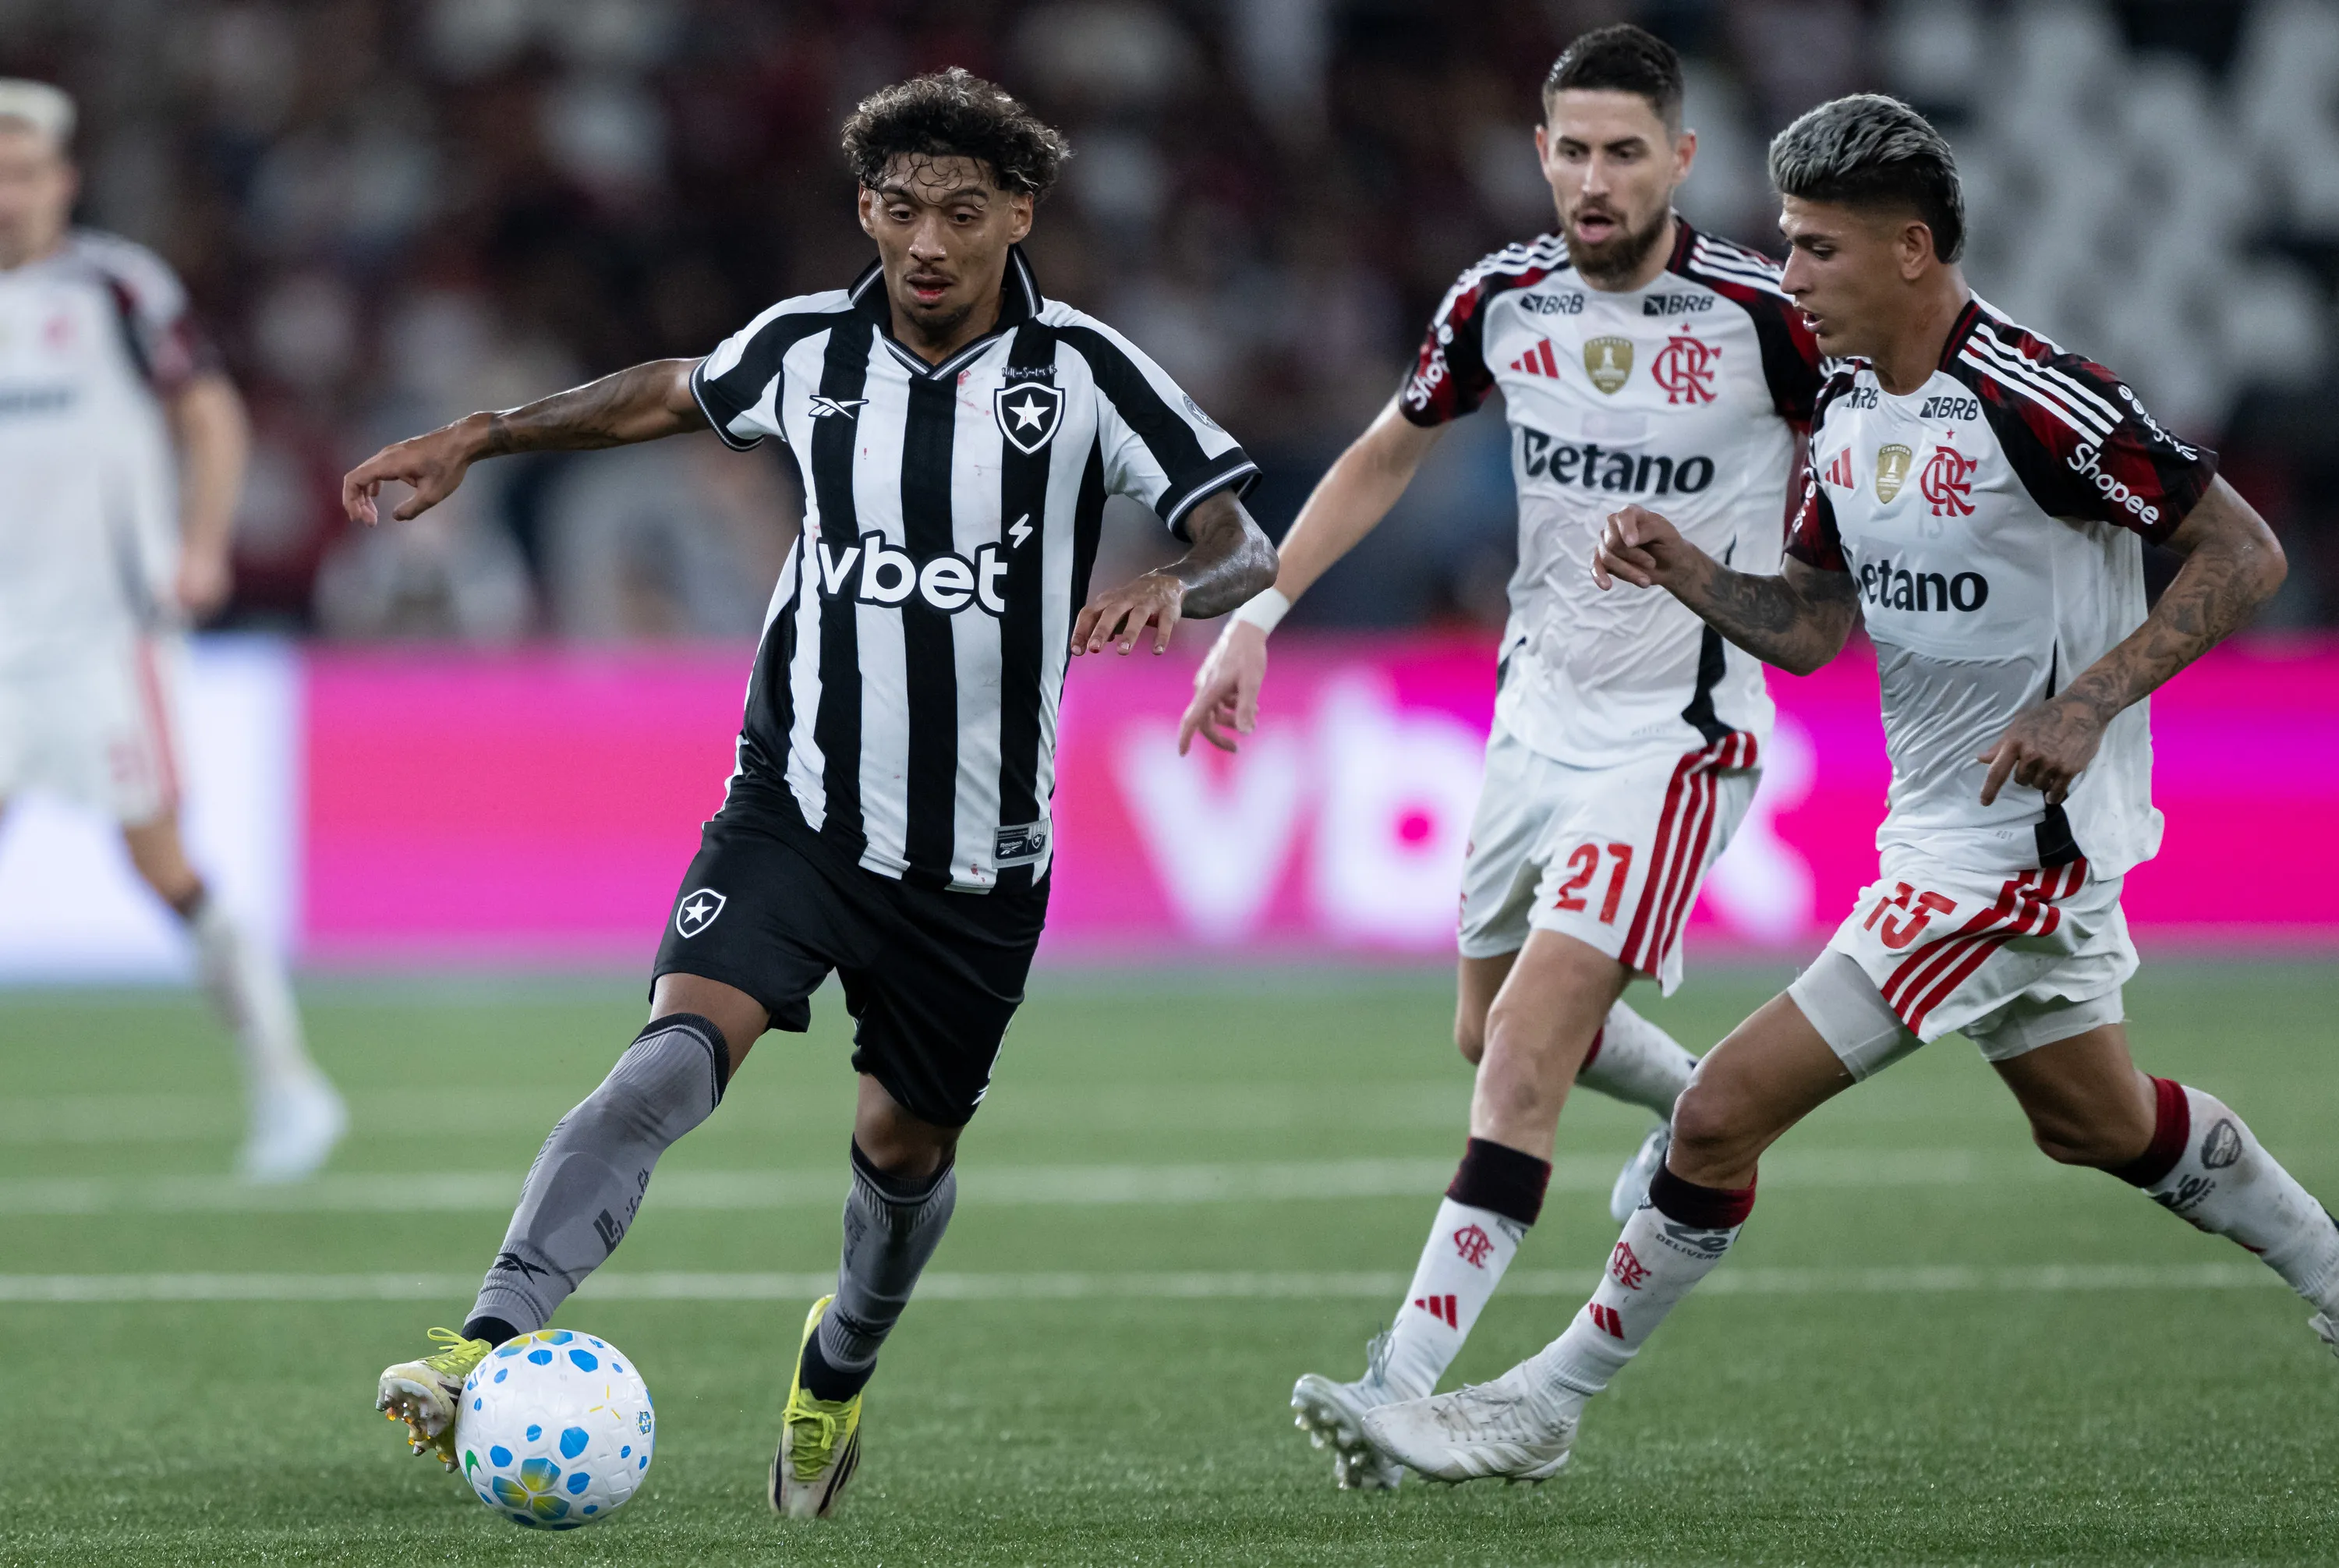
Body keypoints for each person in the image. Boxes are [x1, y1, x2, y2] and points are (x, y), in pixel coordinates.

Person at [1362, 94, 2328, 1485]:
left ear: (1914, 251)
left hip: (2018, 846)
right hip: (1939, 829)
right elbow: (1815, 623)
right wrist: (1690, 570)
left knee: (1715, 1112)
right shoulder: (1851, 409)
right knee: (2095, 1122)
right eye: (1788, 243)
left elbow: (2245, 553)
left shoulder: (2039, 399)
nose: (1791, 273)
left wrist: (2089, 699)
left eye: (1817, 249)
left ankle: (1543, 1400)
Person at [352, 69, 1276, 1521]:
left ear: (1017, 215)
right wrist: (486, 431)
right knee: (667, 1060)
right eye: (901, 207)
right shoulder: (807, 349)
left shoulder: (1087, 373)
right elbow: (666, 390)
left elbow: (1244, 533)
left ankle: (837, 1363)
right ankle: (488, 1336)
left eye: (963, 212)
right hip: (794, 805)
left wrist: (1178, 580)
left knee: (901, 1155)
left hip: (976, 858)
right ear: (866, 208)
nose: (927, 240)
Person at [1177, 27, 1821, 1490]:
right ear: (1542, 157)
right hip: (1535, 716)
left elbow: (1873, 434)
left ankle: (1400, 1386)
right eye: (1574, 153)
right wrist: (1260, 613)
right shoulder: (1499, 298)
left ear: (1682, 160)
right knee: (1489, 1036)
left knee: (1522, 1055)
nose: (1596, 181)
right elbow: (1387, 451)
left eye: (1625, 153)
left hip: (1679, 735)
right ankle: (1704, 1103)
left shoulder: (1766, 316)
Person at [0, 79, 343, 1180]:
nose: (8, 194)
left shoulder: (116, 287)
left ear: (62, 179)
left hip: (107, 637)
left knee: (158, 861)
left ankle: (290, 1083)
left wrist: (199, 547)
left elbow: (211, 414)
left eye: (24, 171)